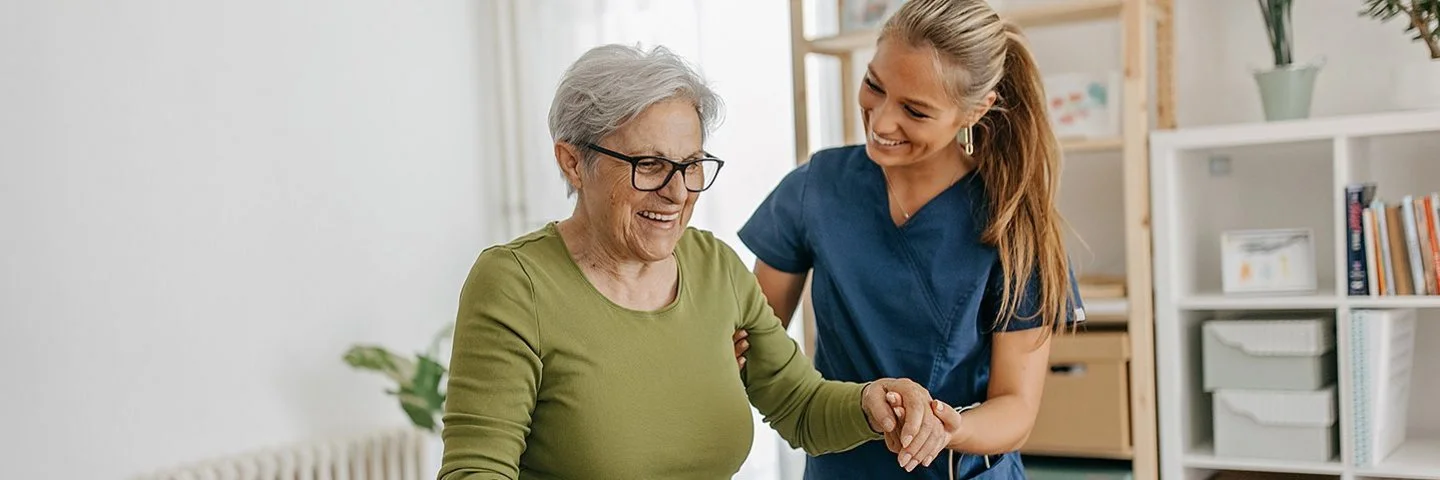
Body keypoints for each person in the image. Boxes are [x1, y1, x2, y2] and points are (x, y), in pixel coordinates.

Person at [438, 43, 955, 480]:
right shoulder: (515, 285)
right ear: (573, 162)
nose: (678, 192)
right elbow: (476, 470)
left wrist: (871, 402)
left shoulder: (716, 267)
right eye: (649, 165)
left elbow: (800, 405)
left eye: (691, 165)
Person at [736, 0, 1086, 478]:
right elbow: (755, 339)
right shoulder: (816, 189)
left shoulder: (1012, 223)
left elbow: (1016, 408)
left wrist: (947, 428)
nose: (881, 123)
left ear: (975, 110)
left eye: (915, 110)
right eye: (874, 85)